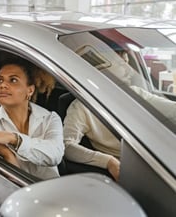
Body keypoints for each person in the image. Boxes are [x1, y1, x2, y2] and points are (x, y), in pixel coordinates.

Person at [63, 50, 176, 181]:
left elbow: (172, 110)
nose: (130, 70)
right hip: (136, 169)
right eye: (122, 64)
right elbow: (67, 147)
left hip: (161, 157)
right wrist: (108, 161)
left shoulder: (134, 93)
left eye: (127, 63)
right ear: (104, 68)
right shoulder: (81, 107)